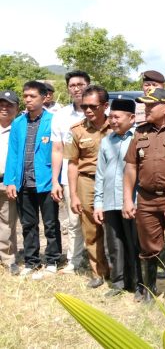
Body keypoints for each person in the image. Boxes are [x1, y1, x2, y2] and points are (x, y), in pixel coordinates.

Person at [122, 88, 165, 302]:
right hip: (146, 198)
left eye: (151, 105)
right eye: (145, 104)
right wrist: (128, 199)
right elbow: (131, 167)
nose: (146, 108)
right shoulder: (140, 132)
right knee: (148, 246)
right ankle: (149, 288)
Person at [5, 81, 58, 278]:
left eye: (32, 96)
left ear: (44, 98)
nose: (28, 99)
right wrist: (11, 180)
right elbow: (13, 153)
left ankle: (52, 259)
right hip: (24, 181)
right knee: (28, 224)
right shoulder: (18, 123)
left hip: (46, 180)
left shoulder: (53, 121)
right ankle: (32, 261)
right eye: (25, 96)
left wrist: (57, 181)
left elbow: (58, 151)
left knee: (51, 223)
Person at [65, 85, 112, 288]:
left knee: (117, 229)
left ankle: (121, 271)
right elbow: (73, 163)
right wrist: (74, 194)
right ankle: (98, 272)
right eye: (84, 107)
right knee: (91, 230)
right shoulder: (76, 130)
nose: (88, 110)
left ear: (105, 105)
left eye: (93, 106)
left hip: (113, 182)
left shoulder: (118, 125)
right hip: (87, 182)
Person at [93, 97, 141, 297]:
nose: (112, 121)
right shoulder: (106, 141)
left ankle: (138, 284)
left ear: (131, 118)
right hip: (110, 201)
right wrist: (98, 203)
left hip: (131, 201)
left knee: (134, 243)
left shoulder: (138, 138)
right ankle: (119, 283)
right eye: (111, 117)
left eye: (117, 117)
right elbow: (100, 174)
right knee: (114, 244)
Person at [51, 70, 90, 274]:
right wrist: (55, 181)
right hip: (69, 175)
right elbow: (57, 149)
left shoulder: (101, 111)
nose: (76, 88)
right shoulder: (61, 115)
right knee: (74, 220)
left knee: (99, 218)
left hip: (95, 175)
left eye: (80, 84)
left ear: (88, 85)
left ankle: (102, 259)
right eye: (72, 85)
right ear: (68, 89)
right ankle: (74, 261)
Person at [0, 90, 20, 275]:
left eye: (9, 105)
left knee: (7, 222)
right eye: (1, 104)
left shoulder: (20, 128)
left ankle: (8, 259)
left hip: (7, 182)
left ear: (17, 108)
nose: (4, 108)